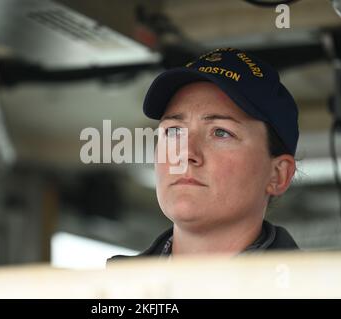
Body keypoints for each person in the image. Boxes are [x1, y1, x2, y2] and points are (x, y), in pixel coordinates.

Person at [109, 47, 300, 262]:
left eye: (221, 132)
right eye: (173, 131)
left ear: (278, 174)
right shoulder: (111, 290)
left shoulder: (317, 291)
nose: (186, 153)